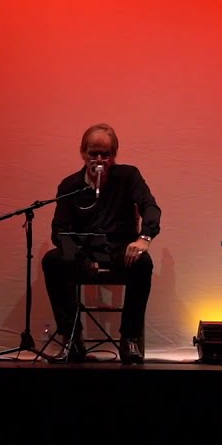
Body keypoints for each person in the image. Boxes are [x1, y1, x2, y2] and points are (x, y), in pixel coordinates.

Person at [43, 124, 161, 364]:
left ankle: (129, 338)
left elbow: (150, 207)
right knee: (52, 261)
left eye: (105, 154)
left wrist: (144, 238)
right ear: (83, 153)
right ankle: (72, 338)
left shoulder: (128, 177)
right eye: (93, 154)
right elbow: (59, 231)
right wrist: (79, 257)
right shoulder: (70, 186)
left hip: (119, 250)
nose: (99, 160)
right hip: (83, 254)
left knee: (143, 263)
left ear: (114, 155)